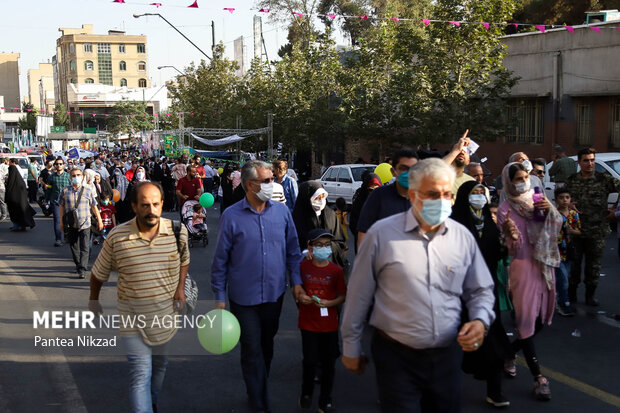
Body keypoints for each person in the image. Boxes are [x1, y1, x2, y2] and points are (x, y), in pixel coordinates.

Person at [340, 158, 496, 413]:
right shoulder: (381, 234)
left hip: (447, 356)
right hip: (396, 357)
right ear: (413, 195)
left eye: (448, 194)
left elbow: (480, 289)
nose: (441, 200)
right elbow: (359, 294)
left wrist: (480, 320)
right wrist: (351, 346)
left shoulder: (462, 238)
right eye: (432, 194)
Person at [210, 160, 304, 413]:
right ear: (250, 185)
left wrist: (296, 282)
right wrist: (219, 295)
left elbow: (294, 251)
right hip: (243, 298)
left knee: (266, 344)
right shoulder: (231, 216)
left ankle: (259, 382)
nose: (272, 184)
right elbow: (220, 260)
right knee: (251, 347)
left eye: (272, 178)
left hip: (274, 294)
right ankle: (258, 399)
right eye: (266, 180)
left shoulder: (282, 212)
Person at [90, 181, 189, 413]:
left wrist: (180, 287)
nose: (151, 210)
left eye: (156, 204)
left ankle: (151, 402)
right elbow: (98, 275)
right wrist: (93, 301)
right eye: (145, 205)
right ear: (134, 206)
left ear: (162, 204)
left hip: (165, 316)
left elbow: (184, 260)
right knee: (140, 373)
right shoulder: (117, 238)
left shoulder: (178, 232)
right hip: (132, 320)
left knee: (160, 365)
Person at [497, 162, 562, 401]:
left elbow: (557, 226)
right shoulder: (505, 209)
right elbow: (513, 248)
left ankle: (506, 354)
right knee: (526, 322)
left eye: (525, 176)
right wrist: (511, 235)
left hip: (543, 264)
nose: (523, 181)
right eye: (517, 178)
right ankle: (539, 378)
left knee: (542, 319)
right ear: (508, 182)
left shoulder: (538, 199)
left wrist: (552, 212)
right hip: (523, 267)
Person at [451, 181, 513, 407]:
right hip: (457, 293)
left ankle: (495, 392)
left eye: (481, 193)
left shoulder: (489, 223)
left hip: (485, 292)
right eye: (473, 193)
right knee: (453, 344)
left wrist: (506, 240)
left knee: (492, 340)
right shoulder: (454, 223)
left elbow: (498, 253)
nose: (479, 197)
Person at [297, 228, 346, 413]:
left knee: (328, 365)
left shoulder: (337, 271)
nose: (324, 248)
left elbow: (342, 295)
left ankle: (325, 399)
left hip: (329, 325)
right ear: (310, 247)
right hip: (307, 323)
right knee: (309, 362)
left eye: (327, 245)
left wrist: (329, 302)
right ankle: (306, 392)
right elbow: (297, 288)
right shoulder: (303, 267)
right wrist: (301, 296)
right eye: (319, 245)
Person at [566, 148, 620, 306]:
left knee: (593, 265)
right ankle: (572, 294)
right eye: (586, 160)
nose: (590, 163)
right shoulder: (572, 180)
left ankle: (590, 295)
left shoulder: (604, 179)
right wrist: (569, 204)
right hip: (575, 231)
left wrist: (616, 209)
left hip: (597, 230)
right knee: (574, 265)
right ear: (579, 162)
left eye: (592, 160)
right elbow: (561, 198)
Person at [356, 148, 418, 247]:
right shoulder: (378, 196)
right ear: (393, 171)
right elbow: (364, 232)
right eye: (403, 168)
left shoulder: (425, 197)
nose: (409, 173)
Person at [59, 167, 103, 279]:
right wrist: (61, 222)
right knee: (74, 246)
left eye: (78, 175)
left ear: (82, 177)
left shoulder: (88, 190)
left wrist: (99, 220)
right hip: (71, 223)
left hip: (85, 222)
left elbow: (94, 206)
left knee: (85, 246)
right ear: (70, 178)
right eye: (73, 175)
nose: (76, 177)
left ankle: (82, 268)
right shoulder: (65, 191)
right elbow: (61, 206)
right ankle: (78, 264)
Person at [292, 181, 347, 267]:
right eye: (317, 198)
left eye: (323, 197)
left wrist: (327, 248)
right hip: (306, 267)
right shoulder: (297, 218)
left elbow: (340, 241)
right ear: (307, 198)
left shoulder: (331, 215)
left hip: (329, 265)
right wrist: (304, 251)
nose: (321, 201)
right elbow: (292, 243)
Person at [554, 188, 581, 316]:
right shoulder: (553, 214)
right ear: (556, 199)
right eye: (561, 197)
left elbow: (579, 230)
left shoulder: (573, 214)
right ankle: (564, 303)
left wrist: (572, 231)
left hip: (569, 250)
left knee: (566, 277)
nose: (564, 200)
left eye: (567, 197)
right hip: (556, 251)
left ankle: (560, 300)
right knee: (563, 278)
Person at [348, 172, 381, 251]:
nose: (373, 193)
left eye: (376, 190)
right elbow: (353, 224)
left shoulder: (384, 202)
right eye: (370, 190)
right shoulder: (359, 203)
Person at [46, 157, 72, 246]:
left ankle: (67, 236)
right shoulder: (51, 177)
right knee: (57, 220)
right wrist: (46, 200)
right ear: (55, 166)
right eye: (57, 164)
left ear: (63, 165)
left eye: (60, 164)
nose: (58, 165)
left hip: (68, 202)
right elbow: (49, 189)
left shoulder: (68, 176)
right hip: (55, 202)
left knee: (68, 220)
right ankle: (58, 239)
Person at [443, 130, 475, 199]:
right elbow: (436, 170)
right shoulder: (441, 177)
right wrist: (456, 150)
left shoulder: (471, 181)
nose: (462, 152)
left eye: (465, 151)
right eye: (460, 150)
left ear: (468, 161)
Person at [5, 162, 36, 231]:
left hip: (14, 201)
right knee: (21, 213)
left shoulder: (11, 181)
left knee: (15, 213)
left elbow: (9, 190)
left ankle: (16, 226)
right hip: (21, 201)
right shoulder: (20, 180)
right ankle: (21, 226)